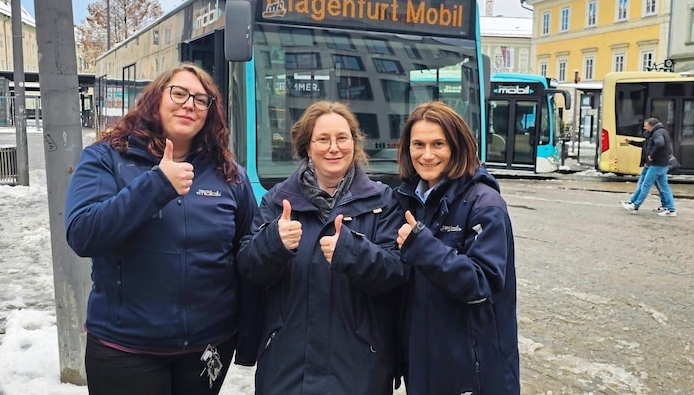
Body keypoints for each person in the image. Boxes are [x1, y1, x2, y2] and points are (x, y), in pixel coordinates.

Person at [64, 62, 260, 395]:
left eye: (201, 100)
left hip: (207, 347)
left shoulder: (228, 172)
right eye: (179, 93)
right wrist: (156, 184)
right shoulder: (106, 158)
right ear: (155, 99)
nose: (189, 105)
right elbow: (84, 234)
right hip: (126, 350)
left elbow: (248, 253)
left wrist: (249, 337)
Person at [237, 101, 408, 394]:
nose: (334, 148)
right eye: (323, 139)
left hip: (361, 368)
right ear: (306, 147)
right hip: (286, 367)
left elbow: (396, 273)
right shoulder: (277, 201)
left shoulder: (384, 202)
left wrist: (353, 252)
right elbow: (248, 268)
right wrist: (274, 243)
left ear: (354, 144)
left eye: (342, 138)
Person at [394, 101, 519, 394]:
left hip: (473, 371)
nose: (427, 154)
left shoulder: (485, 205)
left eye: (438, 144)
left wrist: (421, 246)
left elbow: (482, 283)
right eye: (418, 144)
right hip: (423, 364)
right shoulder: (408, 200)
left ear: (457, 146)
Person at [619, 117, 677, 216]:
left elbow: (659, 143)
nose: (644, 128)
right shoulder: (657, 132)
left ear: (651, 125)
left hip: (657, 164)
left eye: (646, 126)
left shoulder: (657, 133)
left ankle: (635, 205)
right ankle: (669, 208)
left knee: (645, 185)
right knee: (663, 187)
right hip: (660, 164)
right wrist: (631, 142)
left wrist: (651, 156)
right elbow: (646, 144)